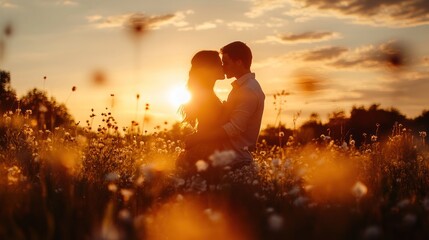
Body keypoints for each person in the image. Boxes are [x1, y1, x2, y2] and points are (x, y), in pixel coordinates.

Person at [185, 41, 265, 170]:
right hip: (216, 157)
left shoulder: (248, 89)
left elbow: (233, 128)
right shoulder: (238, 89)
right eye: (220, 64)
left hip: (234, 159)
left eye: (225, 63)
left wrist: (198, 137)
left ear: (238, 62)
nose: (223, 67)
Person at [176, 50, 227, 176]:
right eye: (220, 64)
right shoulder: (206, 96)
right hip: (205, 154)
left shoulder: (205, 92)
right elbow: (208, 129)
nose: (223, 67)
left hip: (205, 151)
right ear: (210, 69)